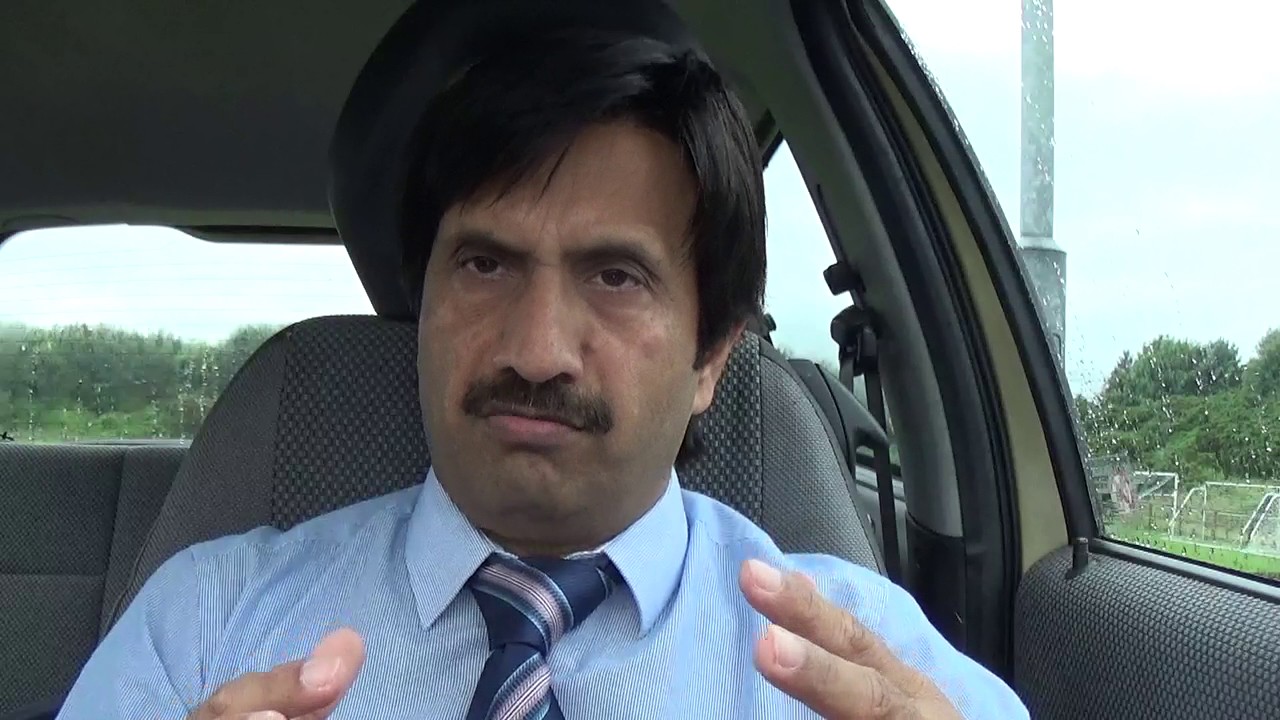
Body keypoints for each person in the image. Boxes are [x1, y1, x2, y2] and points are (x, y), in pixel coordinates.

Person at [58, 28, 1028, 720]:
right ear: (424, 308)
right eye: (485, 264)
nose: (535, 348)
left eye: (615, 277)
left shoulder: (869, 667)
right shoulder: (207, 623)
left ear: (709, 359)